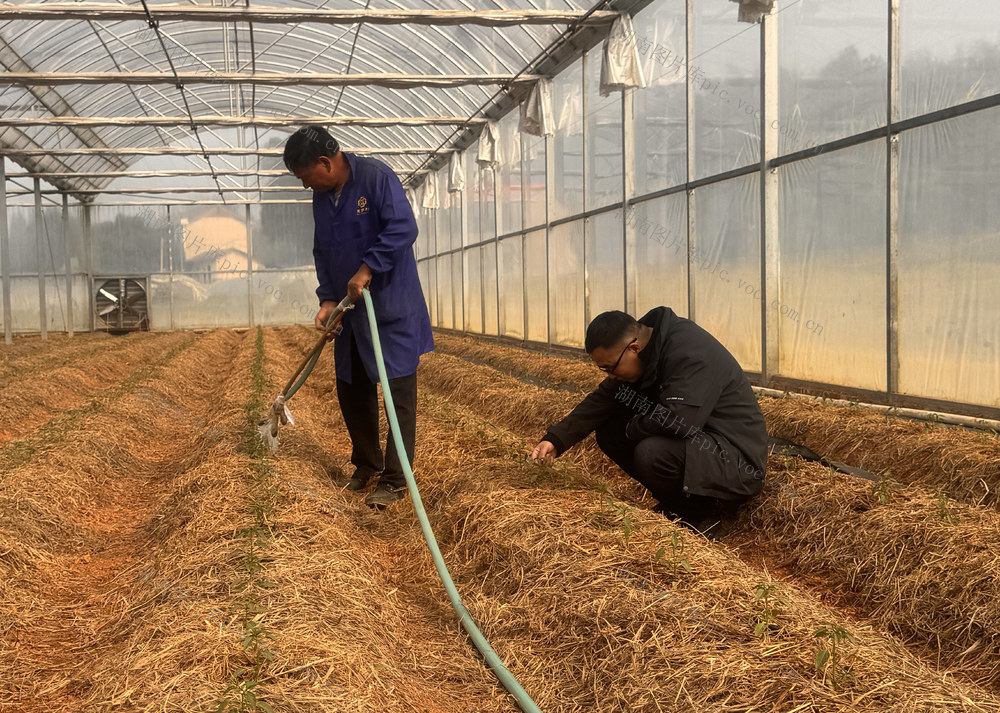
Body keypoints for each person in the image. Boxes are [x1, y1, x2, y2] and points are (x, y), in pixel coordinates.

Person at [283, 125, 433, 509]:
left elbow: (404, 228)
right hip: (350, 313)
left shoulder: (376, 177)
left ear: (324, 163)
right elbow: (324, 249)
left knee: (397, 394)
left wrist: (367, 268)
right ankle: (367, 465)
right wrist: (327, 300)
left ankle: (397, 480)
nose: (305, 186)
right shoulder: (322, 197)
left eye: (305, 177)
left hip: (389, 307)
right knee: (352, 390)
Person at [530, 308, 767, 537]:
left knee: (652, 452)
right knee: (610, 432)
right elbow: (605, 397)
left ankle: (703, 515)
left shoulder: (689, 352)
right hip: (702, 441)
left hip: (736, 459)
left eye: (610, 368)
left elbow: (679, 422)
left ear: (633, 348)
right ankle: (678, 504)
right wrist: (556, 439)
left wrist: (633, 428)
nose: (610, 376)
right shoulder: (647, 347)